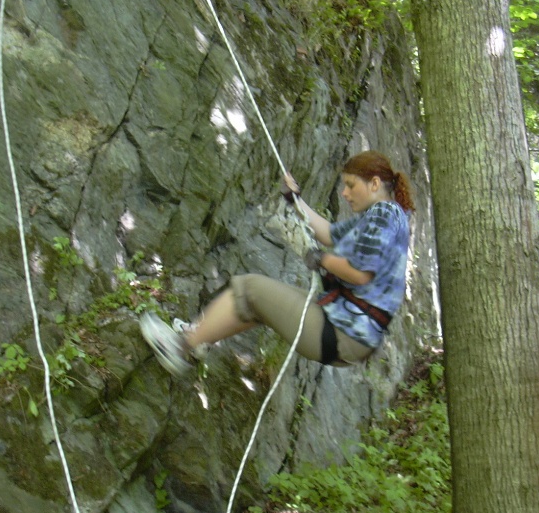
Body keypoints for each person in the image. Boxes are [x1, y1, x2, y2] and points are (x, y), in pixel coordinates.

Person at [140, 150, 415, 376]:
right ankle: (198, 339)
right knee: (253, 307)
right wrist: (294, 200)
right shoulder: (380, 218)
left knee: (249, 289)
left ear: (375, 184)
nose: (344, 192)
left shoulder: (384, 214)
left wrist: (322, 259)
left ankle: (178, 347)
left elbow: (361, 274)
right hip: (349, 337)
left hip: (343, 333)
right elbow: (330, 233)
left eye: (351, 185)